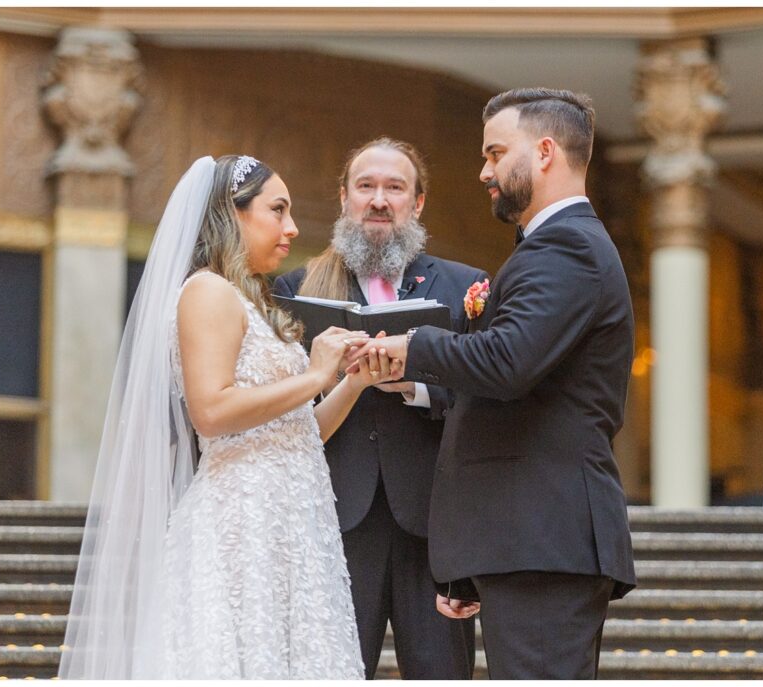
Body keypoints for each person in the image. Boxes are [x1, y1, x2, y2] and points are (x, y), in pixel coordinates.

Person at [59, 155, 403, 679]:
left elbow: (299, 432)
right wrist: (313, 376)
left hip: (294, 520)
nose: (292, 228)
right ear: (231, 213)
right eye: (277, 210)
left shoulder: (250, 299)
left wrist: (352, 380)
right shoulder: (206, 292)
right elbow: (212, 411)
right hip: (242, 520)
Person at [351, 89, 638, 679]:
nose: (484, 171)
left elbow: (508, 363)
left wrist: (411, 348)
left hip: (544, 540)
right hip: (523, 544)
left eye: (494, 153)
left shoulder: (568, 247)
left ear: (545, 152)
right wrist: (471, 562)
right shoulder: (551, 247)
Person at [274, 138, 486, 679]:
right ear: (344, 198)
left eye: (395, 187)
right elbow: (280, 401)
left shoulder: (465, 286)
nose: (379, 199)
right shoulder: (296, 288)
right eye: (366, 186)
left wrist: (415, 387)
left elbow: (488, 391)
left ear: (417, 205)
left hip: (434, 525)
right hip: (335, 520)